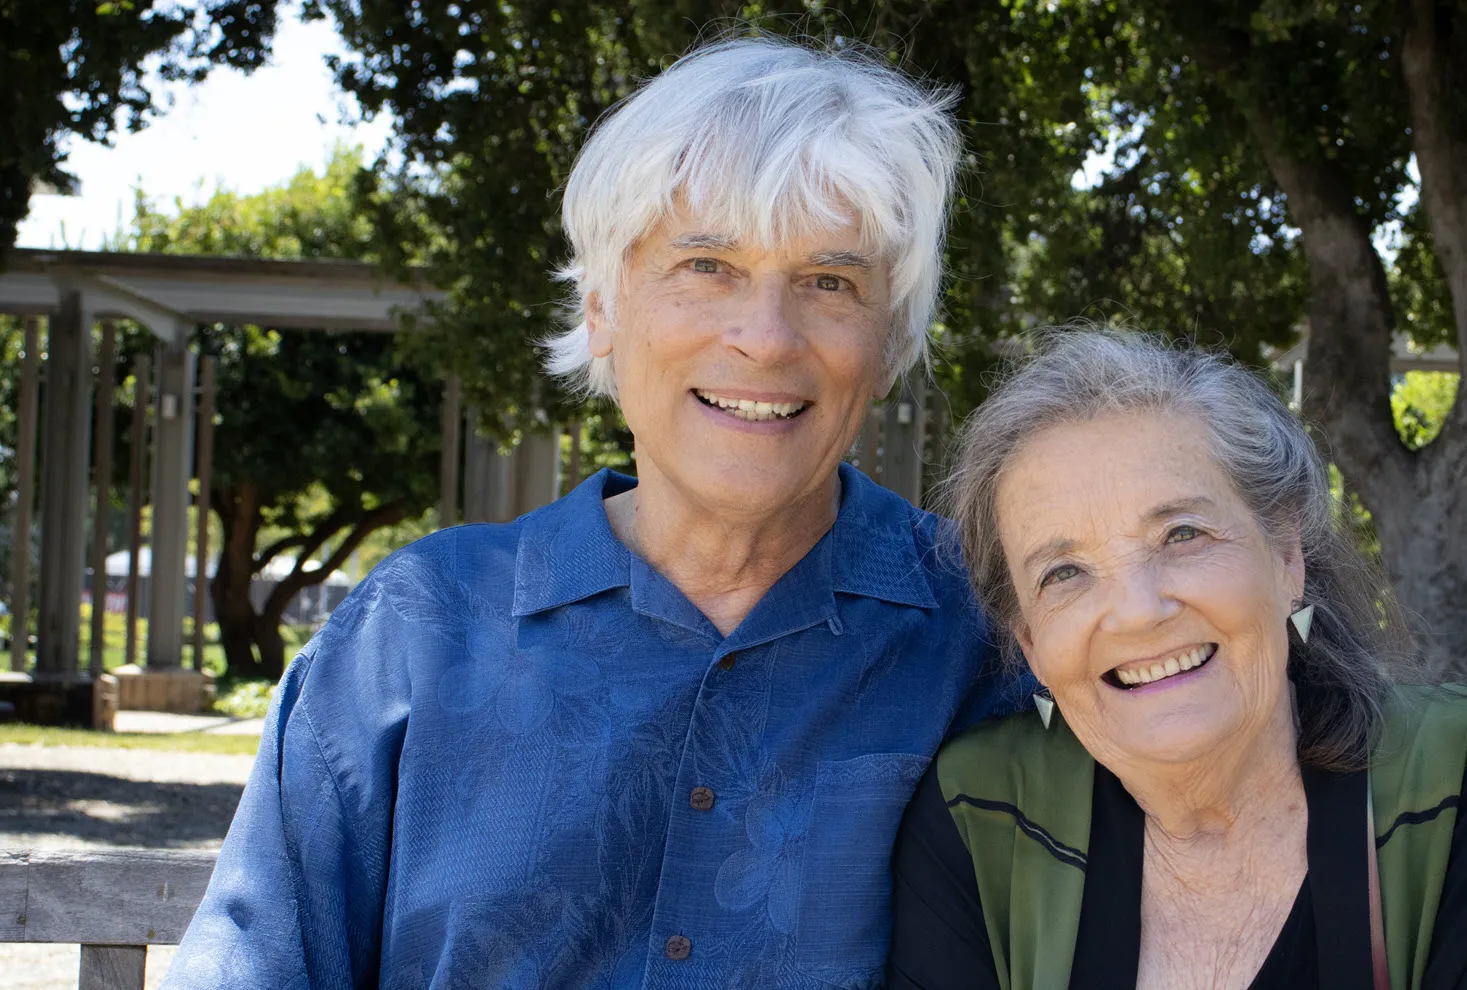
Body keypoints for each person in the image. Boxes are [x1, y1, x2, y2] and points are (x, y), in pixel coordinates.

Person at [166, 37, 1022, 989]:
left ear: (892, 339)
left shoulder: (982, 628)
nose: (766, 338)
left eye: (830, 282)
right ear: (602, 305)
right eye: (707, 265)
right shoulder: (418, 628)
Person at [888, 330, 1467, 989]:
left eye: (1182, 534)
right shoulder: (980, 818)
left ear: (1287, 556)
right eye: (1064, 573)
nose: (1138, 611)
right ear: (1031, 645)